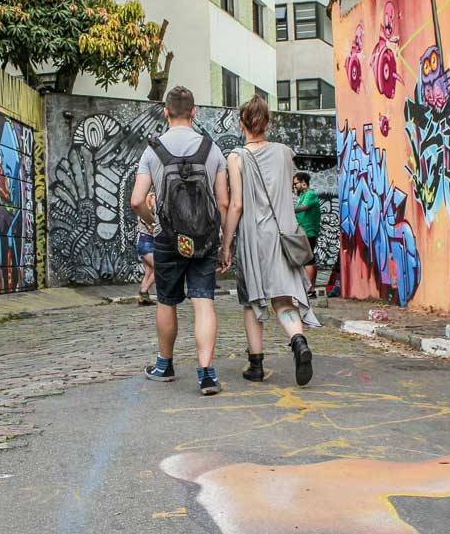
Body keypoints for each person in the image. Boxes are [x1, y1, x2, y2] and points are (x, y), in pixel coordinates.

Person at [130, 86, 229, 396]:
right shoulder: (212, 149)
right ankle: (207, 374)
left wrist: (154, 221)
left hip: (167, 238)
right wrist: (225, 242)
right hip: (204, 238)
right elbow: (223, 202)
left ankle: (164, 365)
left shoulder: (152, 150)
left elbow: (136, 200)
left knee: (167, 300)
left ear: (165, 112)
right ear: (194, 112)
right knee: (204, 301)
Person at [220, 95, 320, 387]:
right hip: (284, 233)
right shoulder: (286, 153)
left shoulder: (236, 157)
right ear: (268, 122)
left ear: (242, 123)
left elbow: (237, 205)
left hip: (255, 236)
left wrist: (226, 244)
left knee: (253, 300)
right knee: (283, 297)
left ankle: (256, 365)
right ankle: (298, 341)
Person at [293, 172, 322, 295]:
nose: (295, 186)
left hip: (309, 232)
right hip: (302, 231)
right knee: (304, 260)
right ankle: (307, 288)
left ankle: (310, 290)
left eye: (296, 184)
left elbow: (304, 207)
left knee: (309, 260)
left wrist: (288, 209)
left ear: (303, 182)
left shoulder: (311, 194)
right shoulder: (303, 195)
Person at [135, 192, 158, 306]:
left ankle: (143, 299)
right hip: (145, 242)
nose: (155, 201)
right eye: (153, 199)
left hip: (147, 242)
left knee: (149, 271)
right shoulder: (146, 214)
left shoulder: (151, 213)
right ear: (149, 200)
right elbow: (152, 229)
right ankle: (143, 291)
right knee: (159, 268)